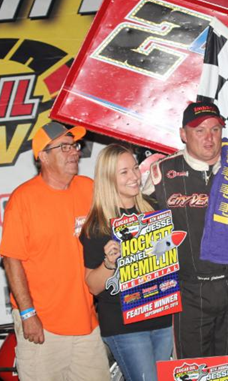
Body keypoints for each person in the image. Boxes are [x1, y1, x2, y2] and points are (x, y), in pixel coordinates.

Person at [143, 102, 228, 359]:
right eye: (199, 130)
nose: (209, 137)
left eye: (215, 129)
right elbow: (143, 234)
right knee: (193, 370)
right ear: (183, 134)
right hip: (189, 289)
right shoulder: (161, 172)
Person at [0, 122, 110, 381]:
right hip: (44, 326)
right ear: (43, 157)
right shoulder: (23, 200)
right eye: (65, 147)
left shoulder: (88, 188)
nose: (75, 152)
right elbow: (11, 260)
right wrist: (28, 315)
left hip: (86, 323)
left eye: (76, 145)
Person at [80, 144, 172, 381]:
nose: (134, 176)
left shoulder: (154, 210)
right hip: (125, 326)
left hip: (162, 318)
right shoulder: (97, 226)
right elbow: (92, 286)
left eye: (134, 168)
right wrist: (109, 263)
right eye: (124, 172)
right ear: (108, 178)